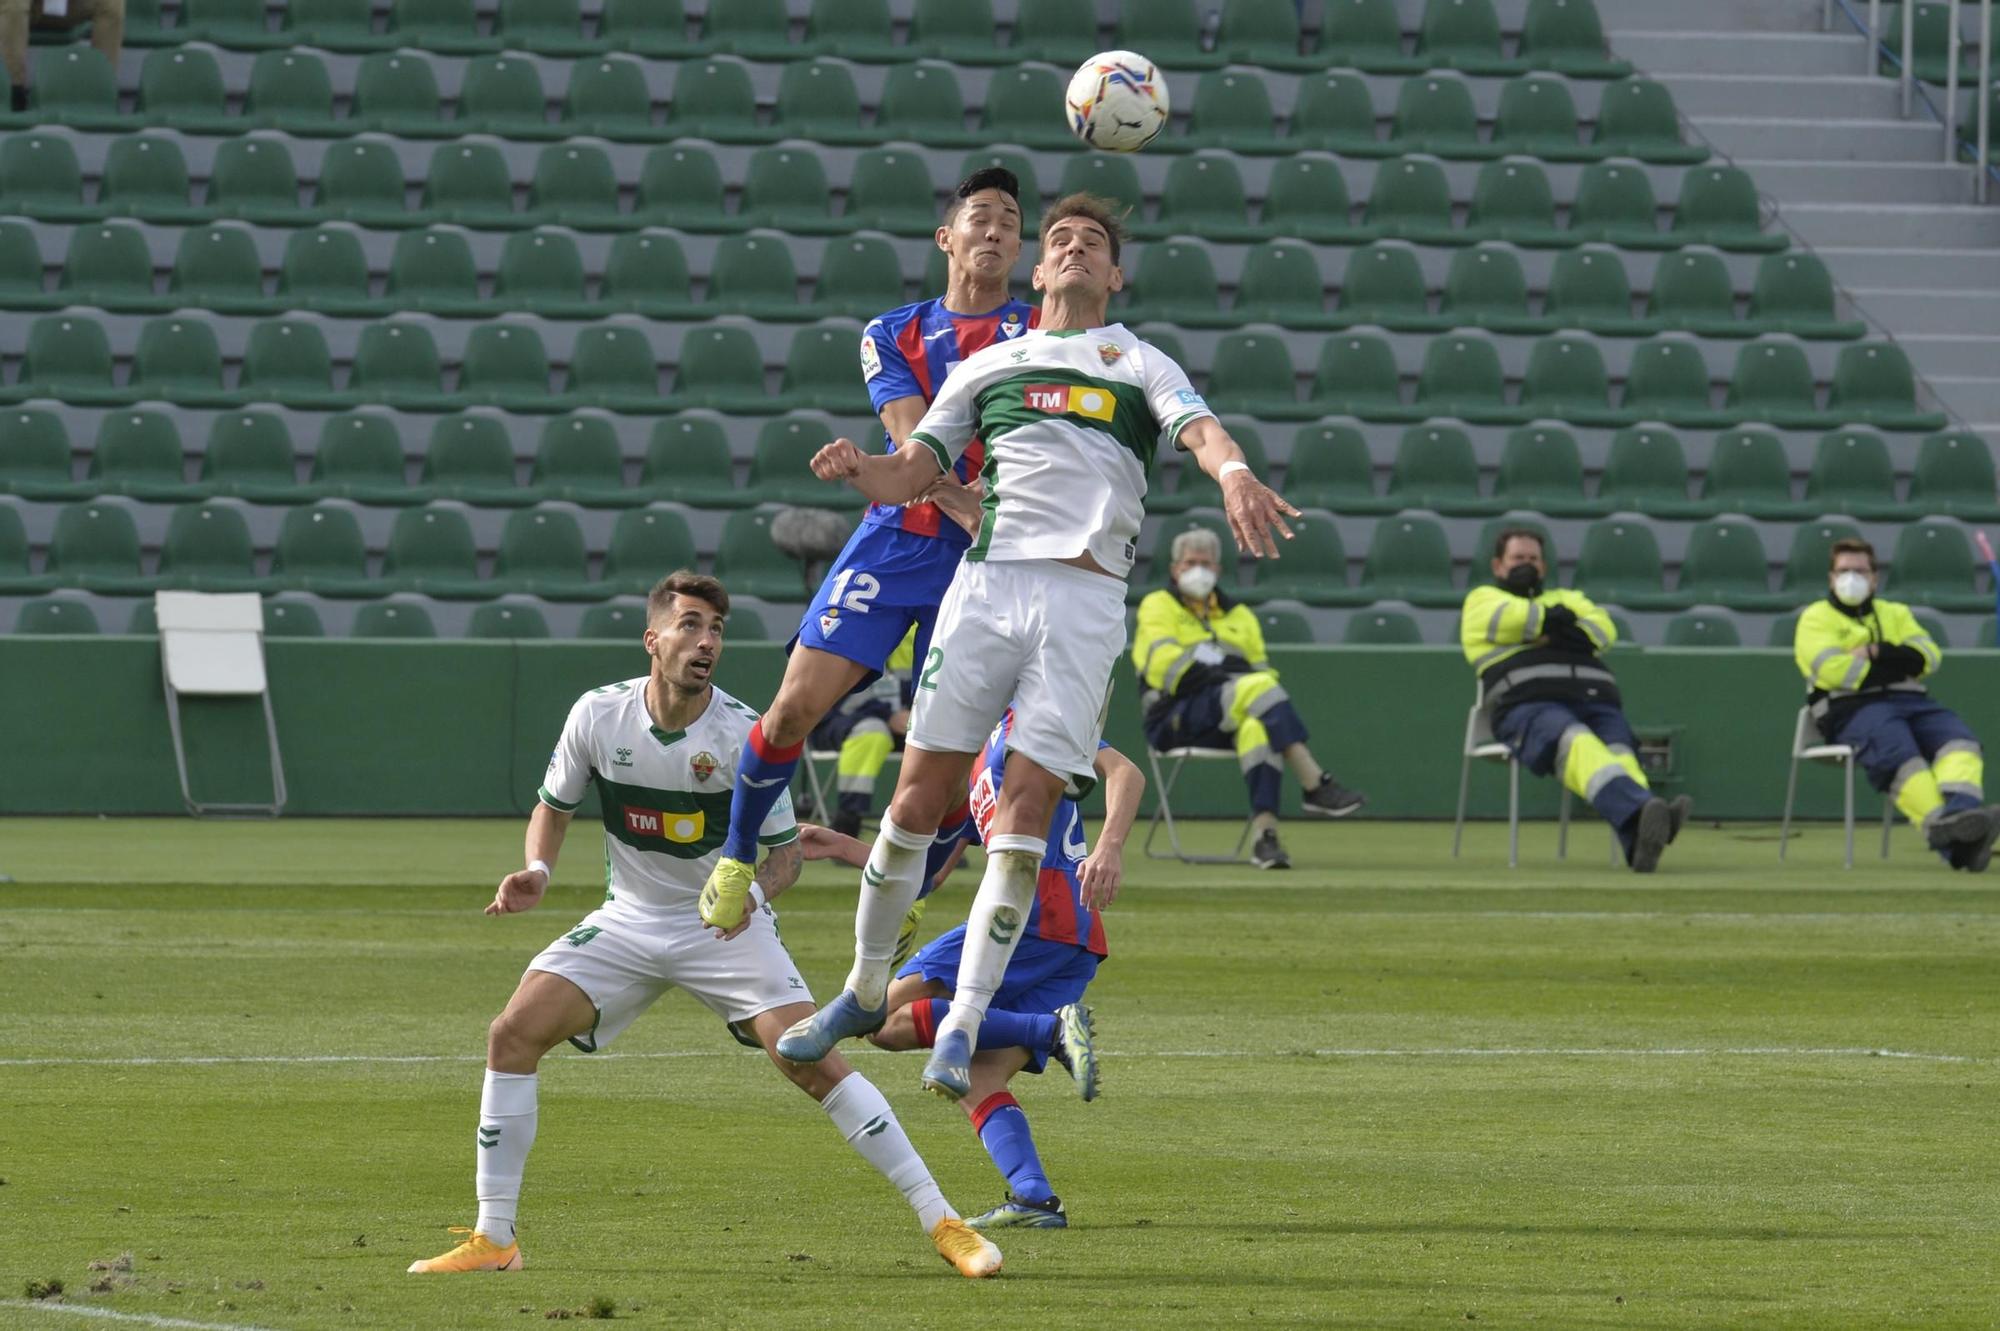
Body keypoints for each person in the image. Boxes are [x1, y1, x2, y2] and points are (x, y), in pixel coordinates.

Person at [776, 192, 1299, 1103]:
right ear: (1040, 270)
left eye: (1092, 243)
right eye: (1060, 241)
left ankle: (965, 1023)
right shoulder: (994, 364)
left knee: (1022, 819)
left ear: (1113, 273)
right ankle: (863, 989)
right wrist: (865, 469)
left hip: (1084, 601)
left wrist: (1236, 472)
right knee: (917, 793)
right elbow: (919, 471)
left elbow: (1201, 431)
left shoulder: (1136, 360)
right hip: (987, 588)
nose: (1074, 250)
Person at [407, 572, 1002, 1280]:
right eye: (690, 624)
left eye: (716, 628)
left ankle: (943, 1220)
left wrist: (753, 892)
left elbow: (786, 855)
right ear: (653, 639)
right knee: (511, 1033)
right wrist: (536, 868)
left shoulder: (743, 735)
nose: (706, 641)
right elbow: (554, 805)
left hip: (725, 929)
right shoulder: (598, 715)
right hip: (630, 919)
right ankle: (495, 1237)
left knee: (812, 1062)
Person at [698, 166, 1038, 933]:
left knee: (949, 772)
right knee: (790, 709)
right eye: (980, 216)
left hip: (987, 563)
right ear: (946, 237)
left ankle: (903, 900)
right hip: (898, 541)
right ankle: (738, 852)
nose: (994, 230)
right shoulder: (892, 332)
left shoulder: (1040, 334)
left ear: (1021, 248)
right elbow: (913, 444)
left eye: (1010, 222)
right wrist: (890, 478)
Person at [799, 714, 1143, 1229]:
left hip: (1031, 912)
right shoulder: (973, 755)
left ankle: (1050, 1032)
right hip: (1070, 936)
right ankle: (1035, 1198)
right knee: (978, 1073)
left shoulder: (1035, 718)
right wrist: (843, 847)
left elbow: (1125, 772)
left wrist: (1110, 845)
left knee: (882, 1018)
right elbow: (932, 869)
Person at [1133, 526, 1365, 869]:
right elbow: (1164, 667)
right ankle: (1315, 783)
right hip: (1174, 717)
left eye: (1206, 563)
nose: (1198, 570)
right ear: (1174, 569)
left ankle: (1264, 839)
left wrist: (1218, 670)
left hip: (1230, 712)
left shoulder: (1240, 615)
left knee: (1259, 727)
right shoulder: (1158, 605)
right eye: (1190, 563)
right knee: (1255, 690)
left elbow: (1262, 672)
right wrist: (1224, 670)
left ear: (1219, 570)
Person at [1460, 529, 1691, 872]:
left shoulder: (1567, 596)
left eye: (1533, 559)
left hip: (1594, 700)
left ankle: (1640, 836)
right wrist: (1557, 625)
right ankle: (1647, 815)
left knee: (1622, 754)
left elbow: (1602, 630)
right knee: (1576, 740)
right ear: (1498, 565)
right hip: (1529, 706)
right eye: (1518, 558)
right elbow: (1506, 619)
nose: (1527, 564)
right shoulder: (1483, 599)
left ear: (1544, 565)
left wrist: (1543, 630)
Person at [1793, 537, 1999, 869]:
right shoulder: (1816, 618)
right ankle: (1956, 841)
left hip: (1913, 702)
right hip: (1851, 709)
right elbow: (1833, 671)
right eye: (1844, 571)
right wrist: (1898, 662)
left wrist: (1876, 652)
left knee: (1961, 743)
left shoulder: (1896, 613)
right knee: (1901, 756)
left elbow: (1930, 657)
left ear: (1875, 577)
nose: (1851, 578)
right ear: (1831, 578)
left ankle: (1962, 819)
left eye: (1860, 571)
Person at [808, 625, 916, 838]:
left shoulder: (916, 630)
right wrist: (889, 716)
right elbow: (843, 700)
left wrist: (917, 714)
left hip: (902, 723)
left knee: (939, 740)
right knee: (872, 732)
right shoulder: (850, 628)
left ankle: (938, 834)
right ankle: (847, 824)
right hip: (837, 721)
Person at [0, 0, 124, 114]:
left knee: (112, 3)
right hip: (27, 6)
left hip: (69, 6)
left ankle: (102, 88)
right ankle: (13, 90)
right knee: (14, 4)